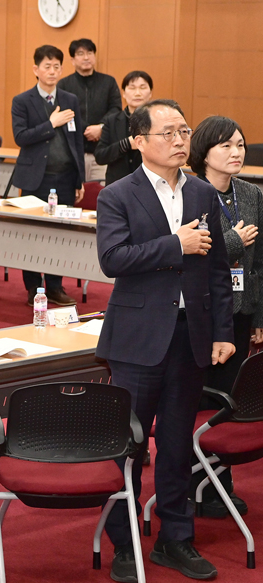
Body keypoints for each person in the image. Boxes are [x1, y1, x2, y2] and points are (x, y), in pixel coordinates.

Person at [96, 99, 234, 582]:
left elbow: (217, 269)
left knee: (176, 445)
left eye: (184, 131)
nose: (180, 141)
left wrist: (222, 332)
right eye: (168, 133)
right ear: (139, 141)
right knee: (129, 445)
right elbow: (113, 258)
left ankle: (177, 539)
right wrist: (175, 243)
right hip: (136, 341)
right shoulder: (117, 194)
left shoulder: (199, 192)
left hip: (189, 338)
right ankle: (125, 542)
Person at [188, 115, 263, 518]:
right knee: (200, 401)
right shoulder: (191, 194)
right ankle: (195, 482)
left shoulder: (251, 194)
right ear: (204, 152)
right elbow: (198, 253)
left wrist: (260, 319)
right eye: (226, 146)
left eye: (240, 145)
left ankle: (219, 482)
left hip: (241, 312)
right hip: (204, 314)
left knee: (228, 402)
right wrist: (234, 240)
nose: (236, 153)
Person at [11, 45, 85, 307]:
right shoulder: (22, 101)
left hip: (65, 177)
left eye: (56, 67)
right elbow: (21, 137)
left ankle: (54, 286)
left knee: (60, 233)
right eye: (47, 66)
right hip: (35, 179)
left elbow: (77, 142)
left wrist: (80, 179)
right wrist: (50, 124)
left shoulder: (70, 99)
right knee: (32, 233)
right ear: (36, 69)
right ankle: (33, 287)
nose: (52, 71)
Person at [57, 38, 122, 182]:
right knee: (72, 196)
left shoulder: (108, 82)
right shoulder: (64, 85)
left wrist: (100, 128)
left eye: (90, 53)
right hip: (72, 155)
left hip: (101, 153)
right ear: (73, 60)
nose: (86, 57)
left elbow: (116, 109)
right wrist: (86, 129)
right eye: (80, 53)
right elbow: (63, 113)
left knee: (99, 195)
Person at [94, 71, 153, 185]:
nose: (137, 93)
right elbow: (100, 156)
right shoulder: (111, 121)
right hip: (117, 186)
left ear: (150, 93)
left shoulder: (157, 121)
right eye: (132, 88)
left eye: (142, 88)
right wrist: (126, 144)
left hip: (148, 184)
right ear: (124, 94)